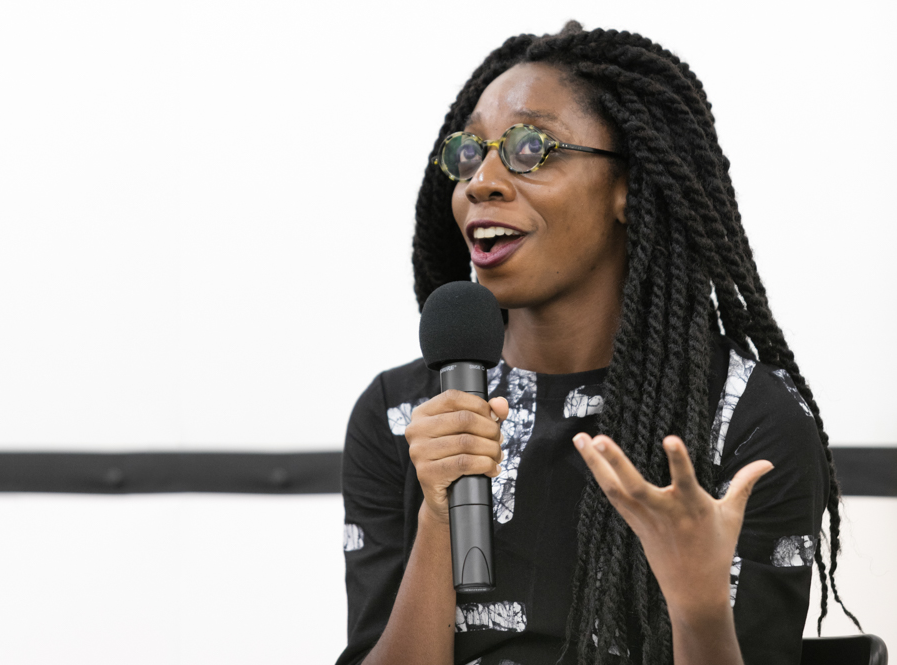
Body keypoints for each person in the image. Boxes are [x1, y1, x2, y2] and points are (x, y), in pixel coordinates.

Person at [337, 22, 858, 665]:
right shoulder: (403, 412)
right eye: (469, 153)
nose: (481, 181)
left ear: (629, 187)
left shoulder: (747, 422)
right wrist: (440, 519)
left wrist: (696, 604)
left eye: (530, 148)